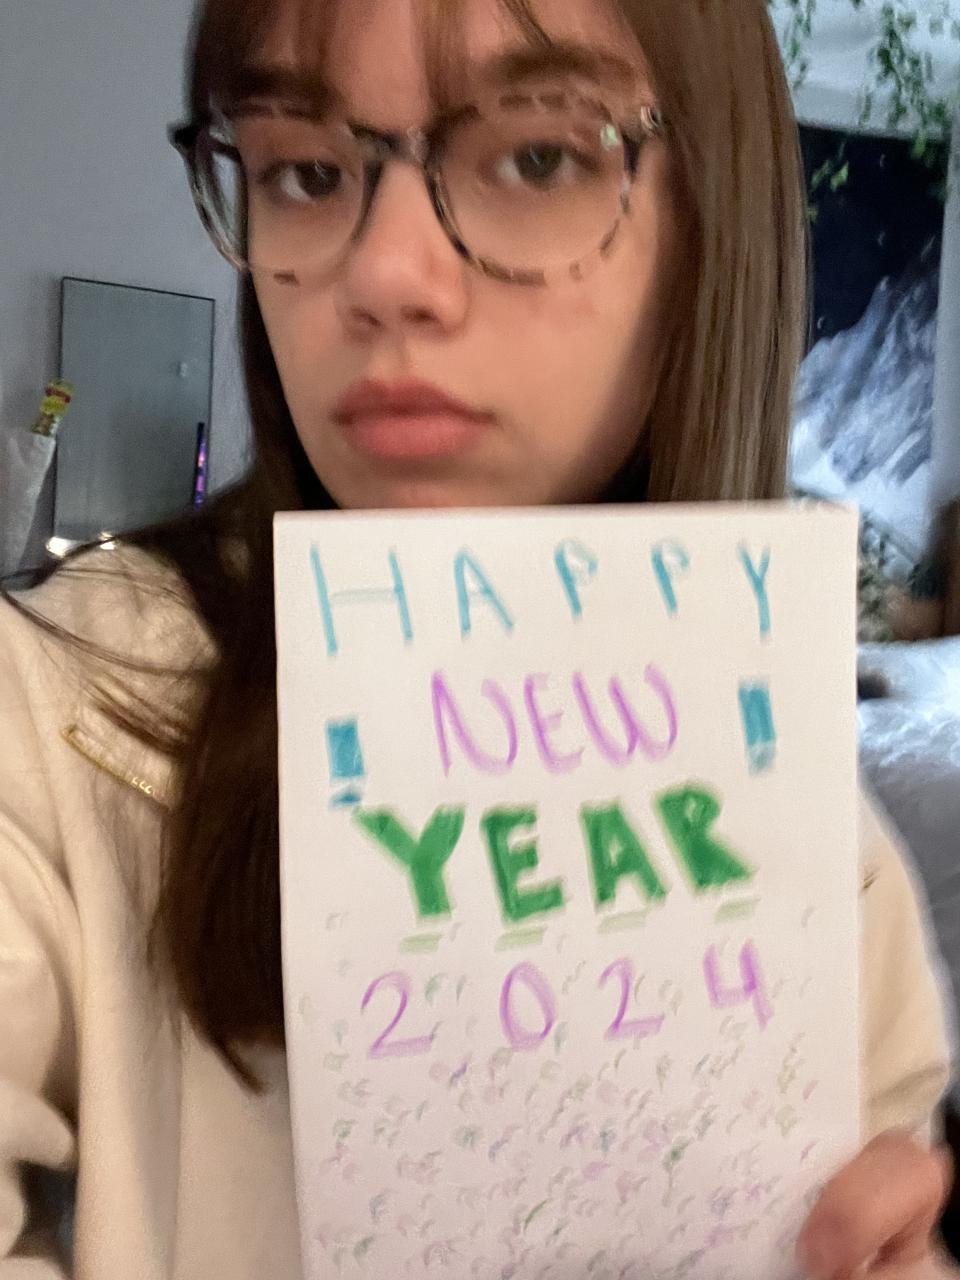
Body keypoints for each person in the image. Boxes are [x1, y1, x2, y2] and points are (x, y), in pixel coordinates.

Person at [0, 0, 954, 1275]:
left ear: (709, 228)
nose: (384, 274)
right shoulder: (55, 713)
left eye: (539, 155)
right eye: (304, 172)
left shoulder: (825, 866)